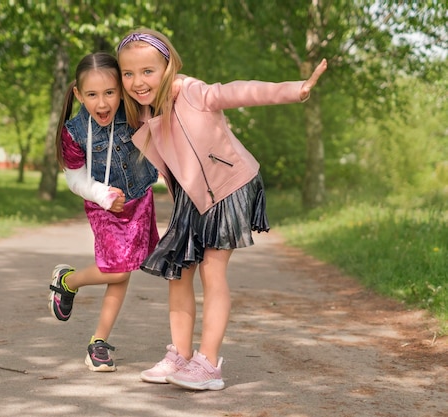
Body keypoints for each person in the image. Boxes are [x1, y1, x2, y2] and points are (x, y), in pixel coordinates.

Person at [116, 28, 328, 390]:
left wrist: (295, 89)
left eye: (147, 71)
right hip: (192, 197)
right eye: (128, 73)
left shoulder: (192, 91)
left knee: (212, 271)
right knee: (178, 274)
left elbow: (238, 90)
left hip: (229, 187)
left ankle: (209, 364)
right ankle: (180, 356)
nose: (138, 81)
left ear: (168, 67)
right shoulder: (144, 112)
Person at [48, 52, 160, 372]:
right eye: (93, 95)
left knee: (121, 270)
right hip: (103, 206)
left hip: (139, 201)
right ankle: (68, 281)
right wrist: (101, 194)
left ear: (121, 91)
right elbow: (74, 177)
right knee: (119, 270)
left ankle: (99, 342)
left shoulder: (137, 111)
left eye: (110, 93)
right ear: (79, 95)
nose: (102, 103)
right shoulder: (74, 131)